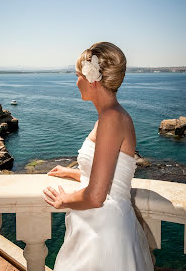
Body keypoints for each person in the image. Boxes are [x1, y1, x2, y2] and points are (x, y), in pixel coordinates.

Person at [43, 42, 154, 270]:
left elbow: (95, 196)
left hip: (103, 235)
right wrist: (73, 173)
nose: (76, 82)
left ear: (92, 78)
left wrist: (63, 200)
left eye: (77, 75)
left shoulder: (111, 119)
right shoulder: (111, 115)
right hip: (100, 226)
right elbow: (109, 174)